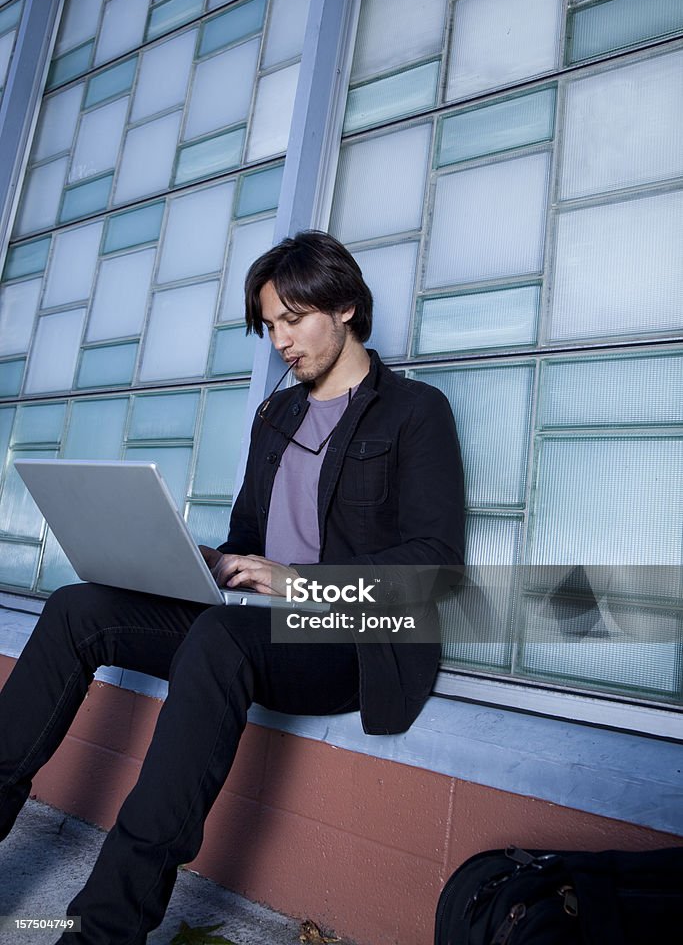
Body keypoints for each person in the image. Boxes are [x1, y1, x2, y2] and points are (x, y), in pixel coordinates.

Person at [0, 231, 465, 944]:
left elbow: (435, 568)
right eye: (269, 325)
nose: (279, 340)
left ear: (343, 307)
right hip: (253, 626)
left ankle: (104, 929)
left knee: (220, 635)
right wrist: (204, 559)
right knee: (77, 608)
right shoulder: (276, 416)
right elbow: (251, 535)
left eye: (293, 319)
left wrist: (296, 581)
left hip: (350, 638)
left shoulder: (414, 411)